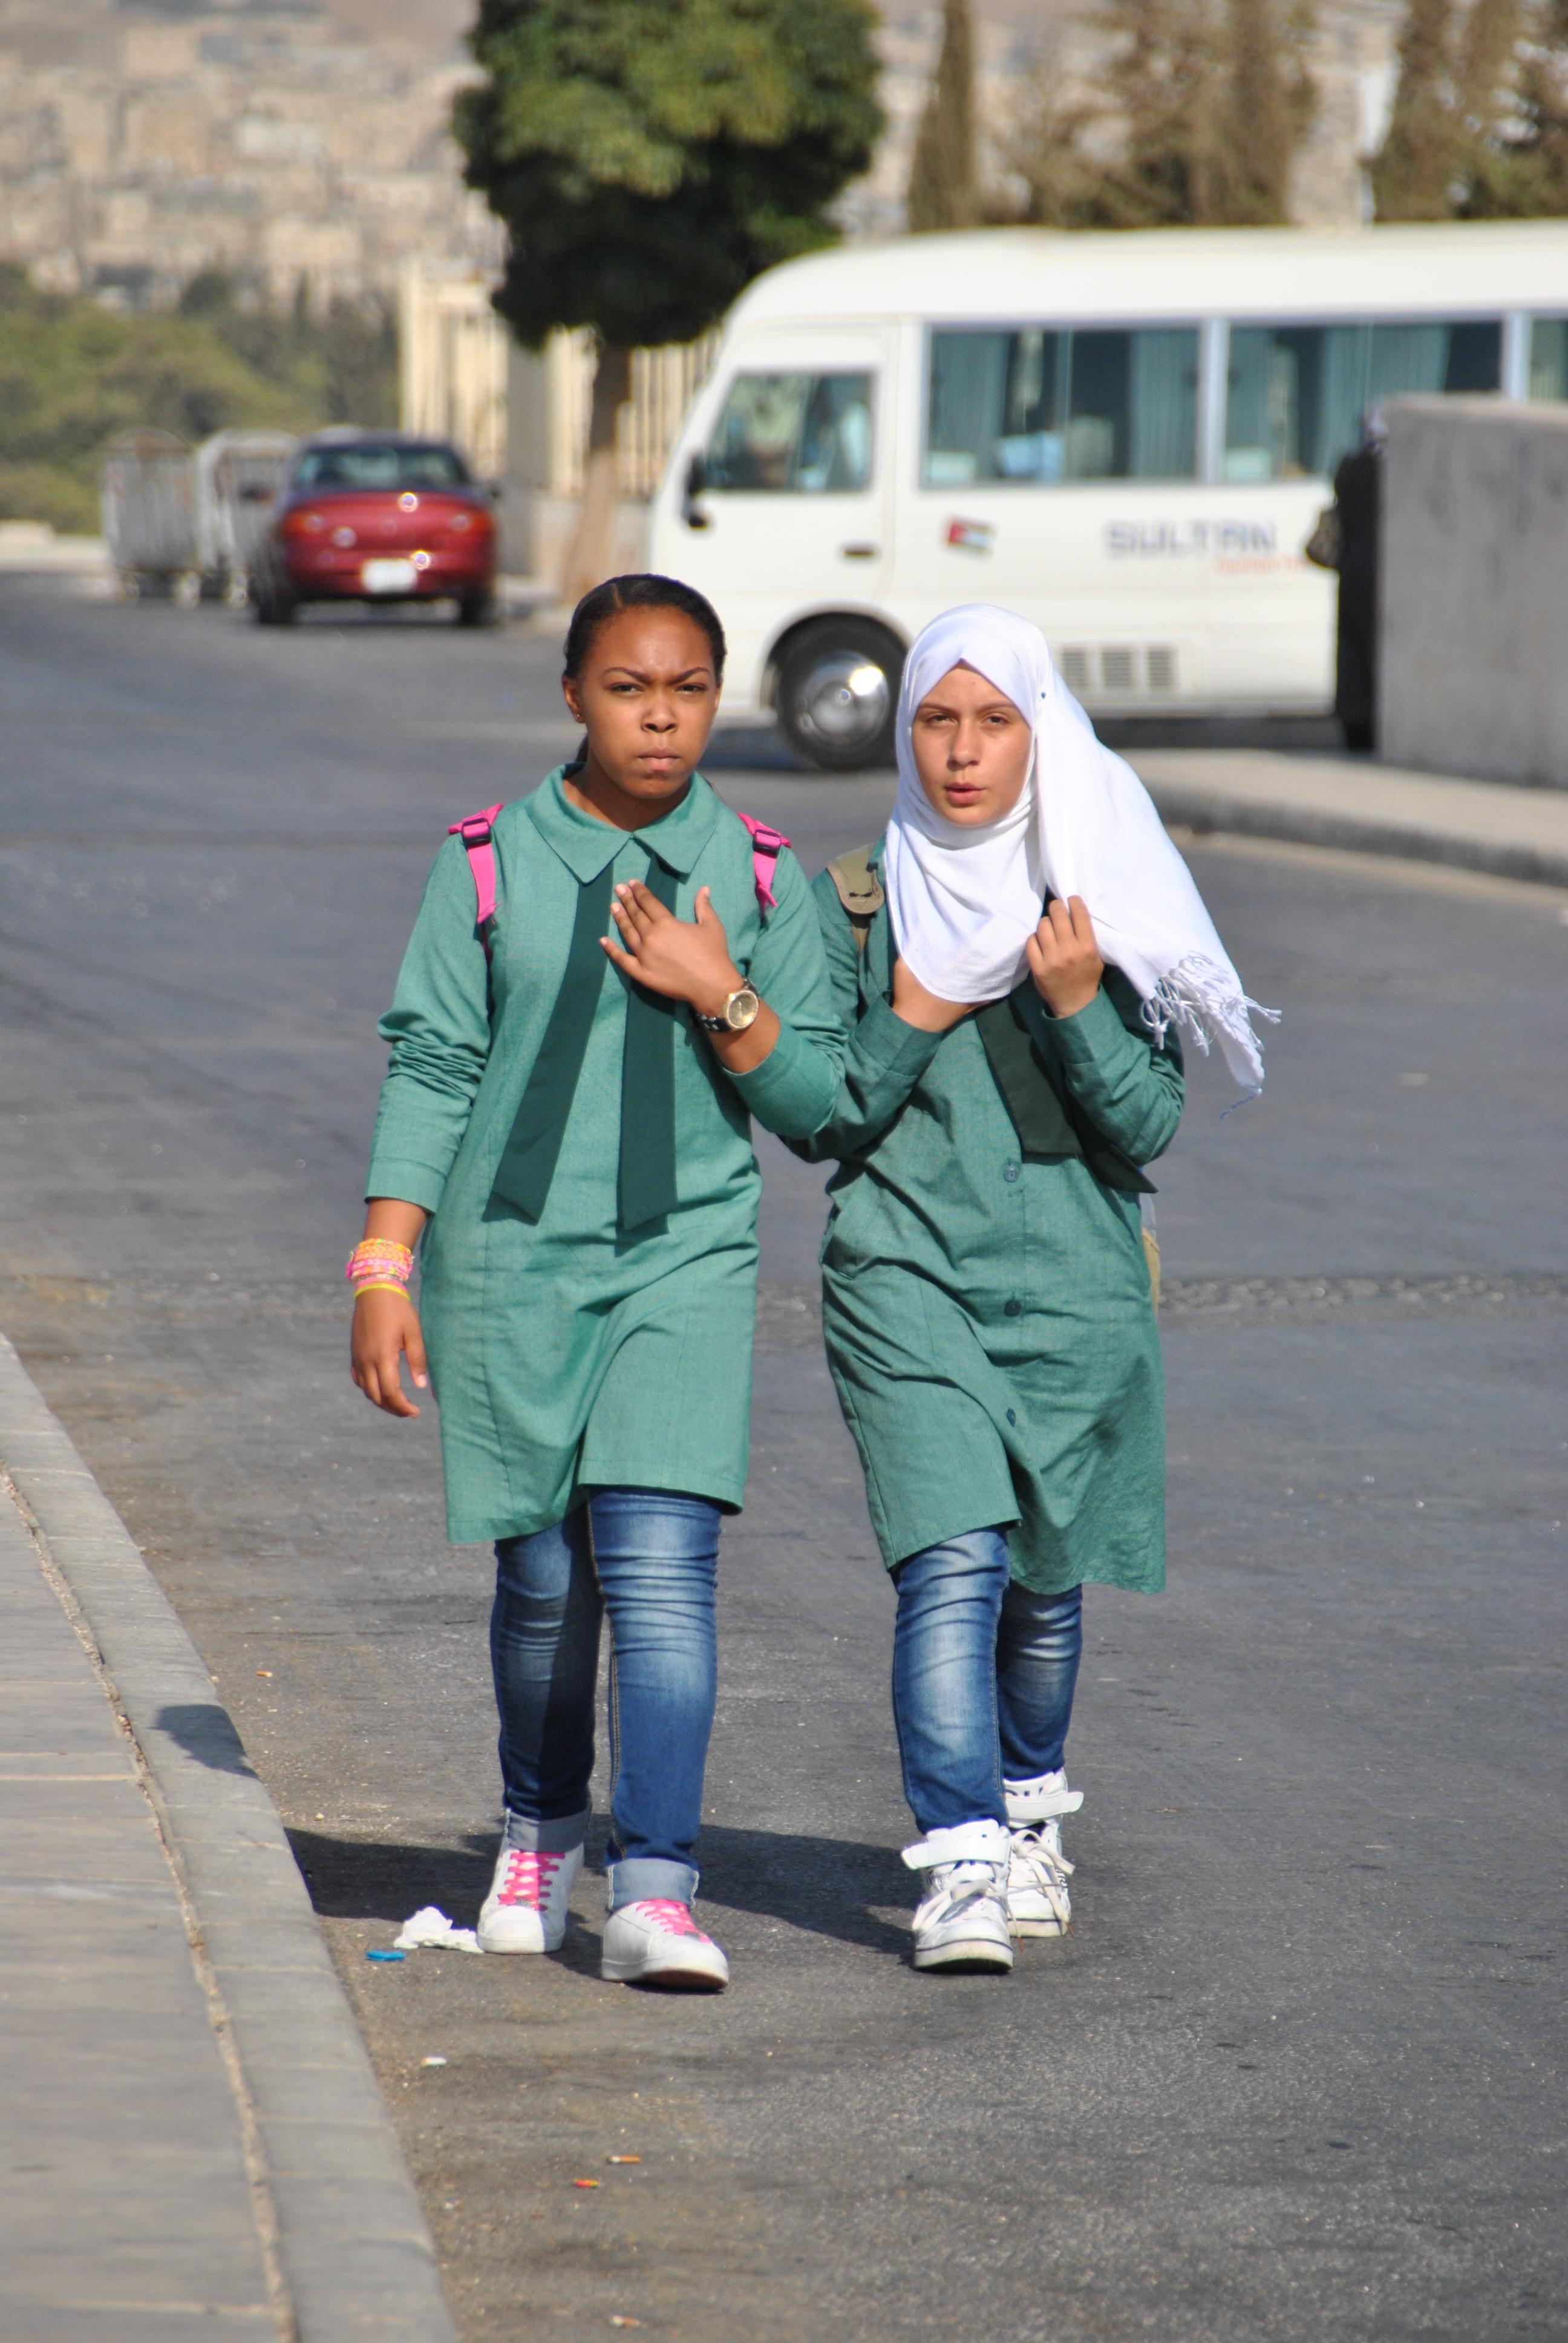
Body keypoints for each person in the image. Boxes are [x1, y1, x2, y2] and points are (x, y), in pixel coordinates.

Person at [347, 574, 843, 1991]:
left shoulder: (755, 873)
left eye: (689, 688)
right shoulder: (488, 860)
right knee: (546, 1583)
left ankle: (660, 1891)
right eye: (630, 688)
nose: (662, 718)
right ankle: (535, 1829)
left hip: (685, 1255)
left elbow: (817, 1102)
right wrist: (387, 1262)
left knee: (664, 1570)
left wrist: (722, 991)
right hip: (508, 1262)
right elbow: (434, 1062)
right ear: (572, 694)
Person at [792, 605, 1273, 1973]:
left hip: (1075, 1287)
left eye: (992, 721)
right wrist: (917, 1006)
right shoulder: (854, 902)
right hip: (905, 1274)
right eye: (935, 721)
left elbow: (1146, 1126)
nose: (960, 753)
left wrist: (1071, 1003)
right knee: (951, 1560)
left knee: (1044, 1585)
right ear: (903, 733)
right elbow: (828, 1113)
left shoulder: (1101, 896)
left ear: (1037, 731)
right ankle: (958, 1862)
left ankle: (1023, 1809)